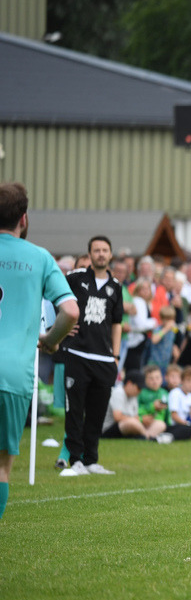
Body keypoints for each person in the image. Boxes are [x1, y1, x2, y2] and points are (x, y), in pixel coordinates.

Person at [0, 182, 78, 518]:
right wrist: (51, 340)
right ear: (24, 218)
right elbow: (71, 311)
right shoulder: (39, 257)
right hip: (12, 372)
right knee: (2, 467)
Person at [61, 234, 124, 476]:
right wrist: (63, 326)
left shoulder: (116, 286)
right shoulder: (75, 279)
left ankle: (91, 460)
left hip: (104, 359)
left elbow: (117, 323)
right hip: (77, 354)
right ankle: (75, 459)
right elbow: (58, 302)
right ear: (89, 254)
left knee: (97, 413)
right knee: (75, 410)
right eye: (96, 250)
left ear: (110, 254)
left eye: (104, 250)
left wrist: (116, 356)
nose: (100, 254)